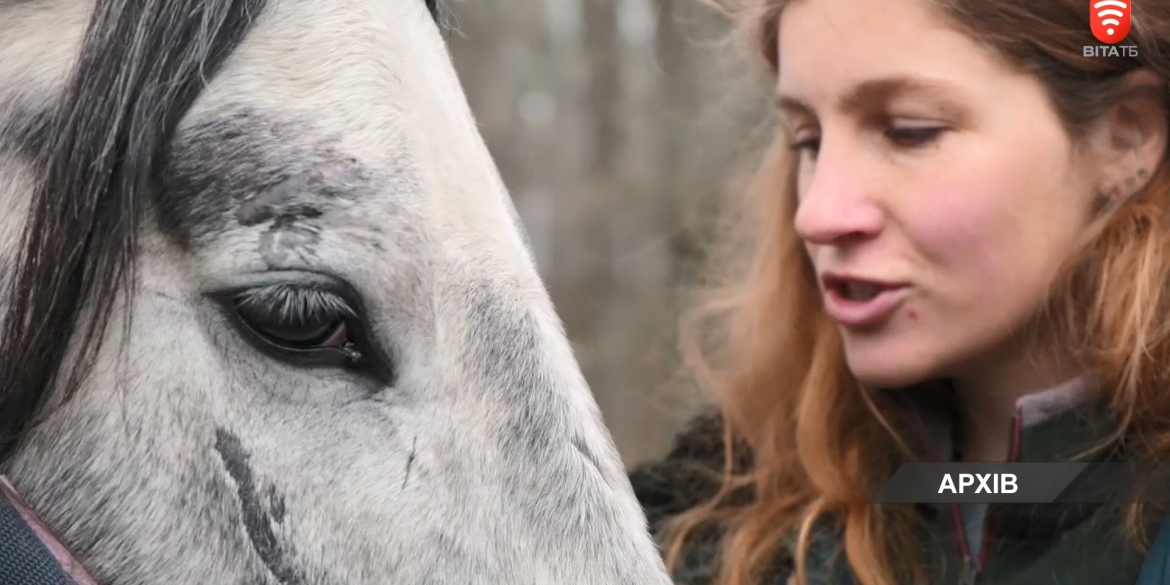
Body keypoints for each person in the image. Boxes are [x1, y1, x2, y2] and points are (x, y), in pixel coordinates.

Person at [628, 0, 1170, 584]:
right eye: (806, 141)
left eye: (910, 132)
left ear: (1126, 136)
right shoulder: (706, 517)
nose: (817, 215)